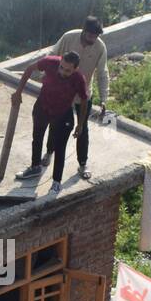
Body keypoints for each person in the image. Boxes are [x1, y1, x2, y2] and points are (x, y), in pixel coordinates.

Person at [12, 52, 89, 194]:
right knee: (37, 138)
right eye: (61, 67)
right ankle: (35, 167)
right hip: (43, 107)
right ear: (59, 62)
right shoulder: (49, 62)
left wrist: (80, 124)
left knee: (60, 148)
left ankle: (56, 182)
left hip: (63, 114)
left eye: (67, 70)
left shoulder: (79, 79)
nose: (62, 72)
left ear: (75, 69)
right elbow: (29, 68)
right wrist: (18, 92)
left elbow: (84, 100)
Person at [50, 18, 109, 182]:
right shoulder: (69, 38)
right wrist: (51, 81)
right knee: (56, 123)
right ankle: (49, 153)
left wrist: (104, 98)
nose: (92, 40)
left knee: (82, 129)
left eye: (95, 37)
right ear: (84, 31)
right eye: (90, 36)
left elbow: (103, 73)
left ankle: (82, 164)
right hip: (62, 91)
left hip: (83, 94)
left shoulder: (100, 47)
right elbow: (52, 57)